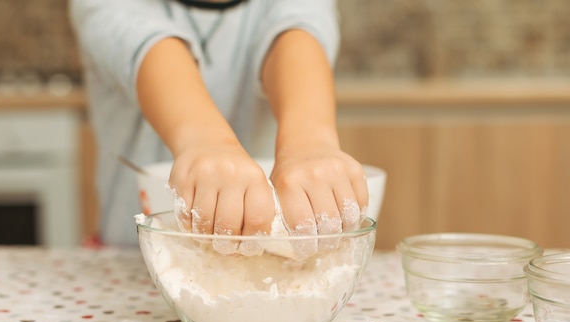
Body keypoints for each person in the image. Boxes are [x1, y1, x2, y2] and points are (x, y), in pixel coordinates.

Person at [69, 0, 369, 250]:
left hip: (264, 261)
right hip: (132, 259)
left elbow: (295, 38)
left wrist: (311, 143)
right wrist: (206, 143)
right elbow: (154, 52)